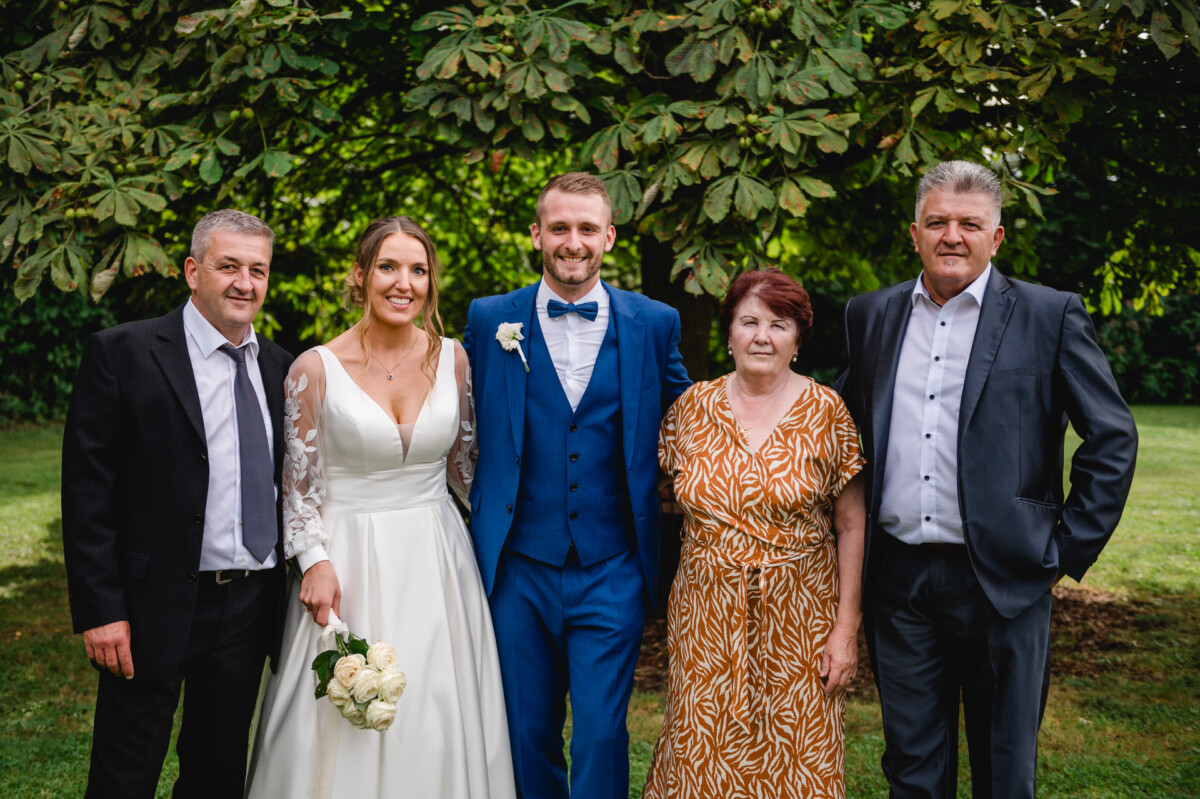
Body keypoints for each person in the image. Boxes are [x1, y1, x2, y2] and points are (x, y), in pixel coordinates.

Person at [836, 160, 1138, 798]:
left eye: (969, 224)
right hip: (900, 584)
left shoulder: (1049, 315)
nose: (953, 235)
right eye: (937, 221)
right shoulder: (870, 316)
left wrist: (1063, 549)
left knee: (1005, 773)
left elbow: (1112, 436)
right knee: (912, 769)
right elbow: (842, 431)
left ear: (996, 237)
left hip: (1006, 578)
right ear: (913, 232)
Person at [245, 216, 515, 798]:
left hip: (438, 558)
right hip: (347, 561)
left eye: (418, 270)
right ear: (361, 275)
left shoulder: (456, 360)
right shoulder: (313, 369)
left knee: (440, 705)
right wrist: (312, 560)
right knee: (346, 709)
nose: (404, 283)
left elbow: (468, 472)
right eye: (389, 267)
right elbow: (297, 486)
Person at [464, 172, 691, 799]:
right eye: (559, 227)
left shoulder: (655, 322)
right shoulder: (489, 321)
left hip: (612, 563)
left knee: (600, 732)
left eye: (587, 228)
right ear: (537, 234)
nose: (573, 241)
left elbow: (692, 419)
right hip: (517, 563)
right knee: (525, 730)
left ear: (609, 237)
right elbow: (448, 415)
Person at [61, 210, 292, 798]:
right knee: (125, 773)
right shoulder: (123, 353)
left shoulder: (282, 369)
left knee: (217, 774)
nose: (245, 282)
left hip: (247, 602)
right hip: (149, 602)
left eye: (258, 270)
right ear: (193, 271)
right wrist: (100, 609)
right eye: (228, 266)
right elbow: (88, 494)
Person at [642, 268, 866, 799]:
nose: (762, 336)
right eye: (749, 322)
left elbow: (852, 523)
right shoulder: (689, 411)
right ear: (729, 333)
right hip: (705, 614)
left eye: (779, 324)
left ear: (797, 340)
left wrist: (846, 629)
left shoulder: (827, 413)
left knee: (797, 749)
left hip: (802, 616)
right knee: (701, 746)